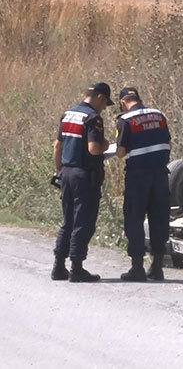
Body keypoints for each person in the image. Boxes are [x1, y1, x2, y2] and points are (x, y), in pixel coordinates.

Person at [51, 82, 113, 282]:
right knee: (83, 222)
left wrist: (58, 171)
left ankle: (58, 266)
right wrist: (105, 144)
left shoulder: (68, 114)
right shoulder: (93, 118)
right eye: (105, 104)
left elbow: (57, 146)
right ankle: (77, 268)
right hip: (85, 176)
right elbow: (94, 148)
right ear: (100, 98)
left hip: (66, 173)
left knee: (67, 221)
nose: (103, 108)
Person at [114, 87, 171, 282]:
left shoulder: (125, 120)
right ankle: (156, 267)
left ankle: (137, 268)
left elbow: (121, 152)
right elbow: (167, 141)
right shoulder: (159, 114)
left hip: (138, 176)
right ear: (138, 98)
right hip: (161, 174)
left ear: (123, 102)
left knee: (134, 218)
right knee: (159, 219)